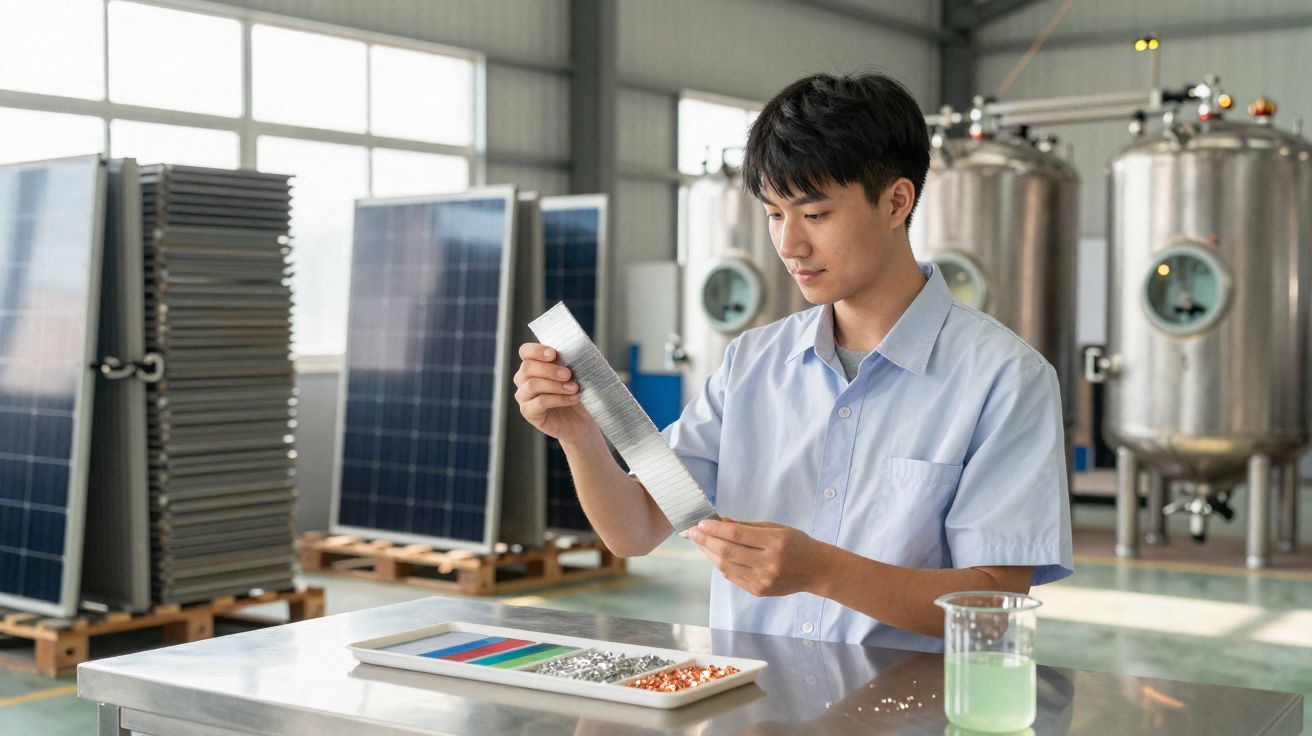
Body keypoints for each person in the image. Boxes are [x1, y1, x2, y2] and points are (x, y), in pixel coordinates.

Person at [513, 71, 1073, 652]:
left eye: (816, 214)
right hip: (754, 705)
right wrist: (579, 436)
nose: (788, 245)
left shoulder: (1005, 379)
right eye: (775, 214)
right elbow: (635, 529)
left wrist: (825, 572)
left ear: (896, 201)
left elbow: (995, 607)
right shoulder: (751, 364)